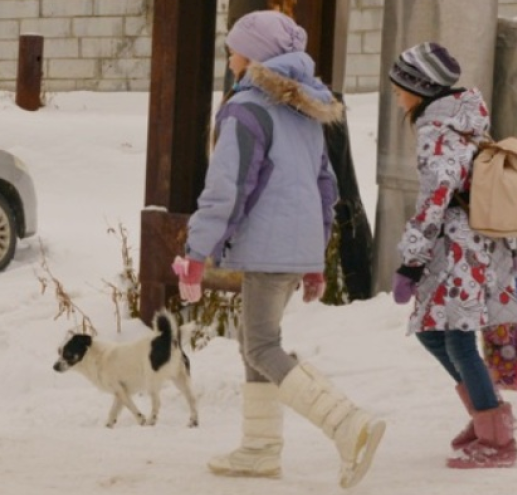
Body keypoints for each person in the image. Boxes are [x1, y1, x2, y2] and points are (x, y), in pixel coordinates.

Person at [173, 10, 386, 489]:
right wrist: (314, 258)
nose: (230, 58)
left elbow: (226, 188)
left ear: (256, 56)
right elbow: (324, 185)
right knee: (255, 341)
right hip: (293, 244)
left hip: (268, 245)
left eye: (235, 49)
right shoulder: (304, 111)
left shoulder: (246, 110)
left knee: (262, 345)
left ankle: (348, 425)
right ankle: (259, 449)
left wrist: (196, 253)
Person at [388, 42, 517, 469]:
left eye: (400, 86)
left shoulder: (439, 132)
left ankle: (498, 442)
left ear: (421, 88)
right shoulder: (461, 121)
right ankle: (488, 412)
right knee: (433, 332)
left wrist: (410, 260)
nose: (395, 94)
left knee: (457, 337)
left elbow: (434, 199)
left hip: (459, 247)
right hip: (467, 245)